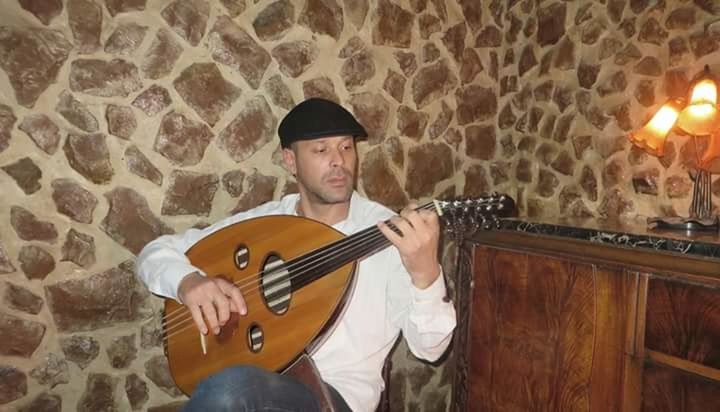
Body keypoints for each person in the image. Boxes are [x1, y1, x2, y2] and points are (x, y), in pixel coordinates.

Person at [136, 98, 457, 412]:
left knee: (230, 390)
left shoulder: (389, 235)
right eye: (321, 150)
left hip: (333, 397)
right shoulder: (268, 223)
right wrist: (189, 282)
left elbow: (431, 347)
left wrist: (425, 272)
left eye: (346, 147)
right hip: (258, 378)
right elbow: (155, 252)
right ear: (290, 161)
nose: (338, 161)